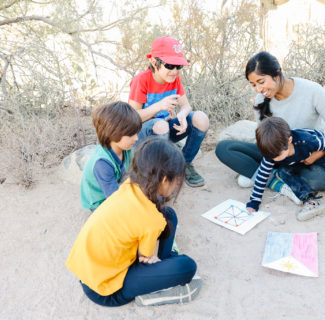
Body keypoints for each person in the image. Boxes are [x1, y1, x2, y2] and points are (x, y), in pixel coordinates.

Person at [66, 137, 202, 307]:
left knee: (168, 215)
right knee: (187, 266)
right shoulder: (150, 219)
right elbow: (145, 257)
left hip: (91, 272)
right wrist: (153, 260)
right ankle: (155, 289)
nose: (177, 186)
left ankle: (164, 264)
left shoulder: (129, 185)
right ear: (165, 180)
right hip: (106, 291)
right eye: (177, 180)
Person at [215, 51, 325, 216]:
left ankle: (259, 175)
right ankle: (274, 181)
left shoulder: (312, 91)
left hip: (308, 154)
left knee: (321, 181)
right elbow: (265, 140)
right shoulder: (260, 101)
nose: (258, 89)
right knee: (224, 149)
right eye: (253, 84)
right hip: (277, 154)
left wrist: (319, 153)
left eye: (261, 82)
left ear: (277, 74)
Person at [246, 117, 325, 229]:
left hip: (318, 154)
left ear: (289, 141)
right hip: (297, 161)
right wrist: (254, 201)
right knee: (282, 171)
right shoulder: (271, 154)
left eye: (277, 156)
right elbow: (262, 175)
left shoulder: (307, 140)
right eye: (271, 157)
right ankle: (310, 199)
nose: (274, 159)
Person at [128, 36, 209, 187]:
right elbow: (132, 118)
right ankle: (161, 172)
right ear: (154, 62)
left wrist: (182, 115)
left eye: (179, 67)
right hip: (143, 135)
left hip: (165, 131)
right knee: (160, 125)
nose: (175, 71)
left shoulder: (174, 79)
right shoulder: (141, 80)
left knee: (201, 119)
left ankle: (184, 165)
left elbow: (186, 106)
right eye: (170, 66)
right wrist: (160, 106)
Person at [80, 101, 141, 211]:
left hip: (116, 188)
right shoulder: (102, 164)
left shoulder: (126, 148)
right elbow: (114, 199)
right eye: (131, 134)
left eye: (136, 133)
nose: (136, 138)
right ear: (112, 133)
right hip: (101, 201)